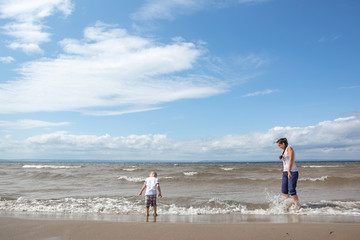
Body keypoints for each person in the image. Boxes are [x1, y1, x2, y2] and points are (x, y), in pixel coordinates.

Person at [276, 138, 300, 208]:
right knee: (284, 190)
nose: (279, 147)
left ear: (283, 144)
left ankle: (297, 206)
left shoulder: (289, 148)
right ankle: (287, 206)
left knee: (292, 190)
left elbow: (291, 159)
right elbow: (286, 159)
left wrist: (289, 171)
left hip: (292, 171)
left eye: (279, 145)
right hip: (285, 172)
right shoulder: (284, 150)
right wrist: (282, 156)